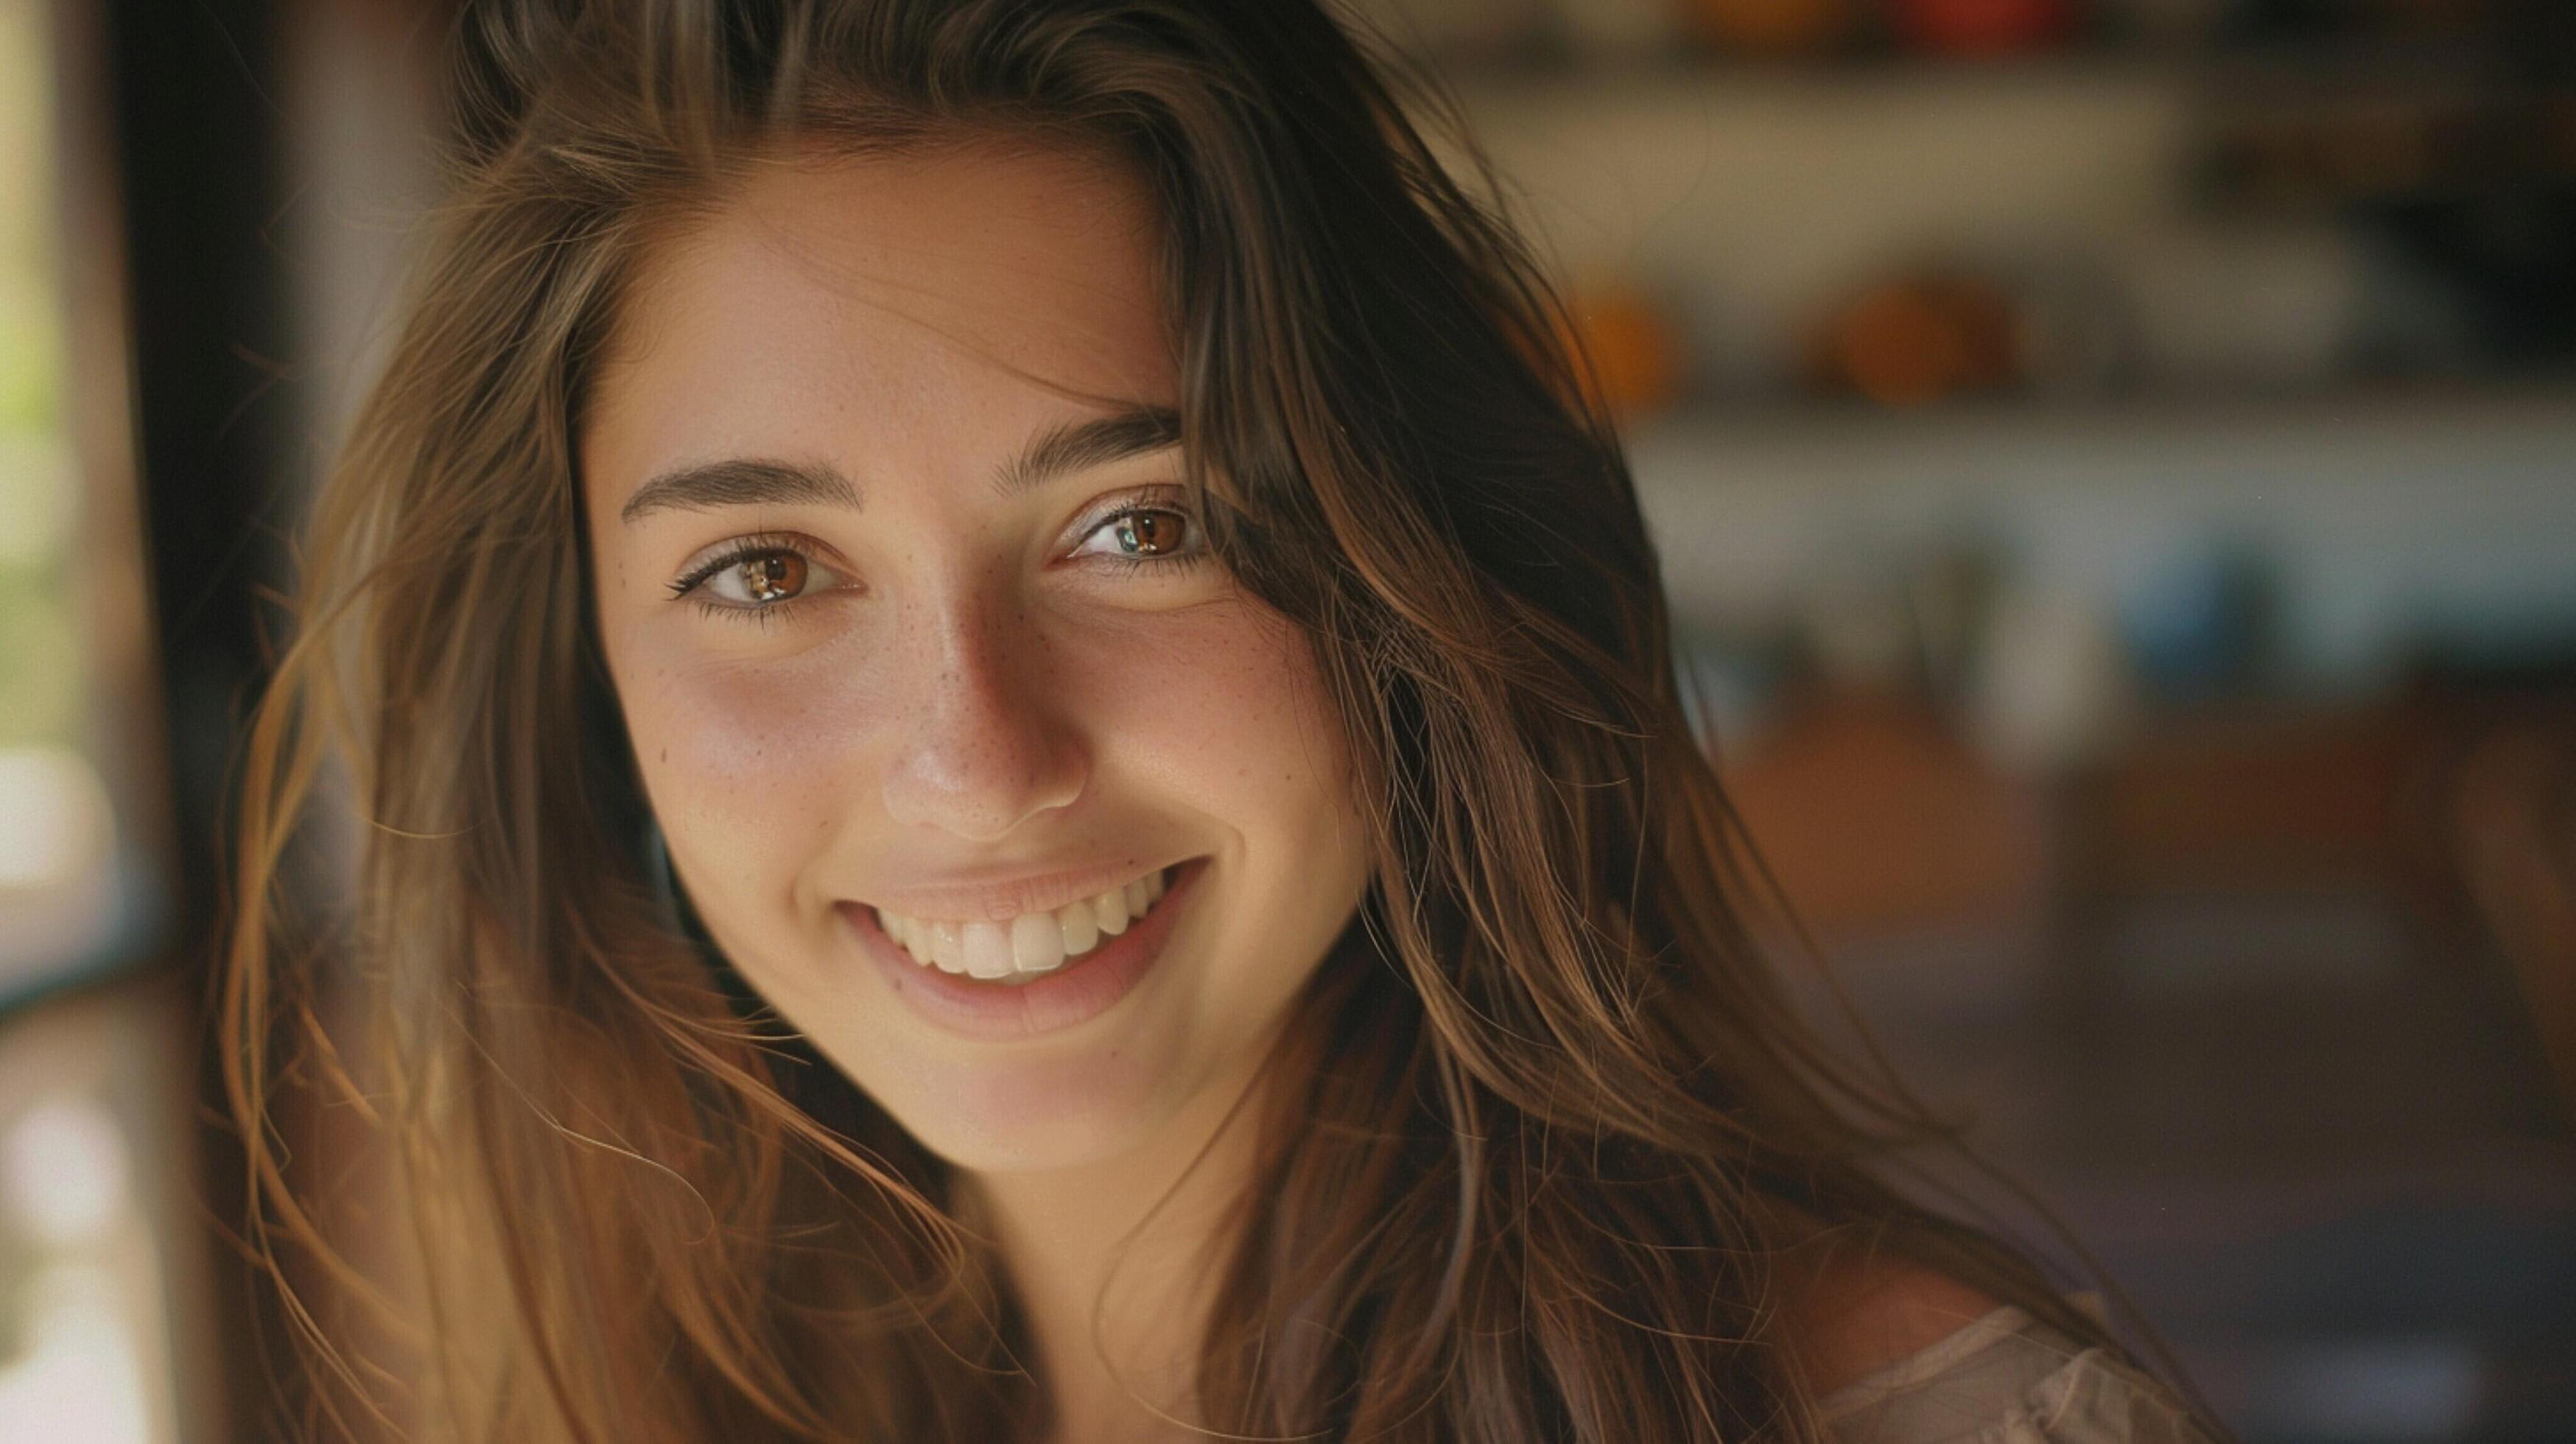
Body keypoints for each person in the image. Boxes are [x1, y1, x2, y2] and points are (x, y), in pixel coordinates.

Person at [223, 2, 2222, 1440]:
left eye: (1140, 525)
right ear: (588, 689)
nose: (975, 759)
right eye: (763, 570)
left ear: (1411, 579)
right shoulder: (653, 1384)